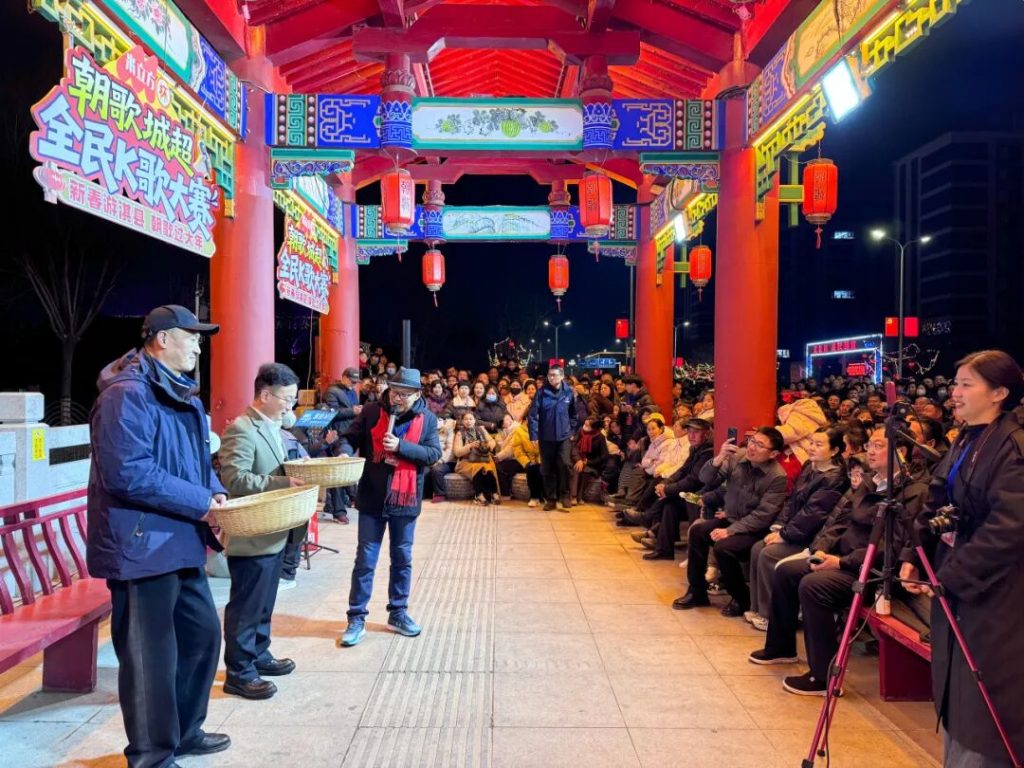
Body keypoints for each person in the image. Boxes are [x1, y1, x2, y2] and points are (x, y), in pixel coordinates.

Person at [87, 305, 230, 767]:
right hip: (141, 545)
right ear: (163, 339)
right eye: (192, 337)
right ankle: (151, 756)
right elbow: (127, 473)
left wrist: (215, 491)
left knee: (203, 636)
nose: (198, 347)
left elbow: (197, 463)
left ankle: (184, 732)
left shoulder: (182, 393)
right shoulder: (127, 394)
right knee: (150, 658)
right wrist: (200, 501)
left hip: (180, 537)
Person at [900, 350, 1024, 766]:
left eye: (966, 384)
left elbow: (1008, 529)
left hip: (995, 592)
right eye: (955, 383)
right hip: (955, 582)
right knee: (956, 690)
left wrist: (952, 577)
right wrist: (914, 554)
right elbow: (937, 500)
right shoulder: (967, 438)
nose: (954, 392)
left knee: (984, 701)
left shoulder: (1013, 446)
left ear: (999, 393)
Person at [750, 426, 927, 695]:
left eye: (878, 446)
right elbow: (841, 522)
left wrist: (841, 563)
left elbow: (891, 546)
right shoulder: (869, 482)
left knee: (814, 585)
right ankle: (781, 648)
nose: (870, 451)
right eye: (869, 445)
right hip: (845, 559)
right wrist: (821, 550)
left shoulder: (912, 491)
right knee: (786, 571)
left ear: (900, 451)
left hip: (876, 572)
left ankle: (823, 678)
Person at [218, 364, 306, 701]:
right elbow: (234, 479)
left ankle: (259, 652)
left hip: (273, 530)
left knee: (264, 602)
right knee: (246, 607)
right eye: (286, 399)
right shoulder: (242, 429)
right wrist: (282, 483)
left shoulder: (272, 426)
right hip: (252, 534)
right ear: (265, 395)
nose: (290, 406)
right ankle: (239, 672)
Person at [337, 368, 441, 647]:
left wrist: (401, 446)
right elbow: (349, 437)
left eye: (405, 394)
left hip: (405, 500)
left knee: (402, 558)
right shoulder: (372, 411)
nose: (398, 398)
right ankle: (356, 617)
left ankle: (398, 612)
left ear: (417, 394)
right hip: (372, 496)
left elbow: (433, 454)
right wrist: (344, 452)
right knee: (365, 559)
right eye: (395, 392)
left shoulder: (427, 418)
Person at [674, 427, 788, 616]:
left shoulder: (777, 476)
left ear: (773, 454)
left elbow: (764, 515)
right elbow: (705, 479)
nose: (752, 447)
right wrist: (719, 458)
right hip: (732, 519)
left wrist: (731, 530)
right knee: (697, 531)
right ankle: (697, 591)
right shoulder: (738, 457)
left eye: (760, 445)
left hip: (755, 529)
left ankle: (742, 598)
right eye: (752, 441)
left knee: (723, 547)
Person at [745, 427, 849, 631]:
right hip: (795, 531)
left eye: (819, 444)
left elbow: (813, 514)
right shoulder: (810, 466)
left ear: (835, 450)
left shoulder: (834, 478)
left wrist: (785, 535)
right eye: (811, 442)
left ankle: (770, 616)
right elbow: (793, 500)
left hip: (812, 538)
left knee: (768, 554)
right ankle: (757, 608)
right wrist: (778, 526)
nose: (812, 447)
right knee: (758, 547)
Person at [639, 418, 714, 560]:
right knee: (670, 504)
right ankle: (664, 549)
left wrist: (667, 490)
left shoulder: (708, 451)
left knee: (676, 498)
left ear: (707, 433)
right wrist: (666, 483)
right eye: (689, 432)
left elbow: (694, 480)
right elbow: (683, 471)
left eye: (696, 432)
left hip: (701, 496)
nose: (691, 436)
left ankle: (648, 520)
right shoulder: (695, 448)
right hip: (690, 493)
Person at [528, 366, 579, 511]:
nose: (551, 378)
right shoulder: (541, 392)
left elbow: (574, 415)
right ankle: (551, 498)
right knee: (547, 468)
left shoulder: (569, 392)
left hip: (564, 436)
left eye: (554, 375)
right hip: (546, 436)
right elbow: (533, 415)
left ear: (562, 376)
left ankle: (564, 495)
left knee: (565, 464)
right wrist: (534, 435)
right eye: (549, 375)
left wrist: (572, 431)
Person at [323, 366, 363, 524]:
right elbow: (330, 413)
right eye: (352, 381)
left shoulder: (353, 392)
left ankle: (350, 499)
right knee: (338, 474)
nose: (354, 384)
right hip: (337, 436)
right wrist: (353, 411)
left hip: (351, 435)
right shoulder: (332, 391)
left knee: (346, 471)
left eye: (356, 382)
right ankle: (340, 509)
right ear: (344, 377)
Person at [494, 415, 544, 507]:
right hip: (523, 459)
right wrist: (526, 461)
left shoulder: (545, 428)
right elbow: (516, 448)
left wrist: (539, 460)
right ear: (526, 419)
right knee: (530, 467)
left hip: (541, 458)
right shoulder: (519, 430)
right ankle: (533, 497)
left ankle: (542, 497)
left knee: (538, 467)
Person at [453, 411, 500, 505]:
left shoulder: (481, 429)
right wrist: (470, 446)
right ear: (462, 421)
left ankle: (493, 493)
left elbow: (492, 441)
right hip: (466, 461)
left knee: (487, 467)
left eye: (471, 419)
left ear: (475, 420)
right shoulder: (460, 433)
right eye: (466, 419)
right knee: (478, 468)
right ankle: (479, 495)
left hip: (482, 458)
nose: (468, 421)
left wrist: (487, 446)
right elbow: (457, 453)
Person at [568, 417, 609, 505]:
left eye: (587, 425)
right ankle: (573, 496)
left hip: (592, 464)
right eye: (585, 424)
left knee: (584, 471)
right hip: (578, 459)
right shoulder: (580, 431)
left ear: (593, 428)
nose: (584, 426)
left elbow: (604, 456)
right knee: (576, 467)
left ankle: (579, 497)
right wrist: (579, 459)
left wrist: (588, 462)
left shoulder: (600, 437)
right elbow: (574, 445)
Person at [429, 418, 456, 503]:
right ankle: (425, 493)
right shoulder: (428, 431)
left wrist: (439, 461)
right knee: (423, 470)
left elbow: (450, 452)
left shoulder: (450, 432)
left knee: (437, 470)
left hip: (447, 461)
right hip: (431, 459)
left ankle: (440, 494)